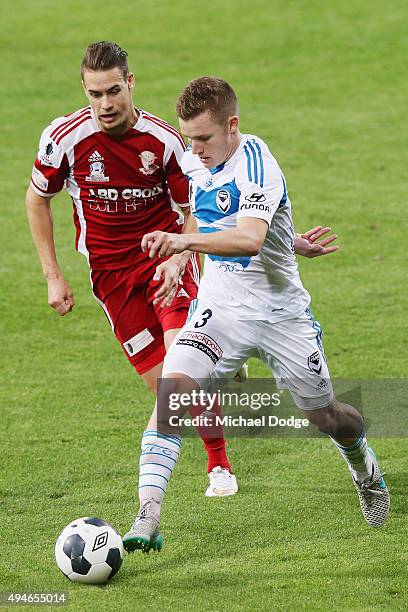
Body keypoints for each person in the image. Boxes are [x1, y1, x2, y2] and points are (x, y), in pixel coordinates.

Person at [26, 41, 336, 501]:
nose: (105, 104)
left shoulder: (166, 141)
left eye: (113, 90)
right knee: (164, 391)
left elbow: (197, 208)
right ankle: (228, 356)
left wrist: (180, 255)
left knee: (179, 378)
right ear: (84, 91)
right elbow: (37, 199)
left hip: (166, 262)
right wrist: (52, 274)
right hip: (111, 279)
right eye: (95, 94)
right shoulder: (63, 139)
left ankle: (218, 465)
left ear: (130, 83)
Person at [122, 76, 389, 553]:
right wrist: (180, 259)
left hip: (280, 316)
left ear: (232, 125)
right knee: (173, 393)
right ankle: (147, 513)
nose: (195, 150)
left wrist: (185, 243)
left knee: (325, 416)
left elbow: (248, 238)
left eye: (204, 138)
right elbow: (204, 216)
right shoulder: (195, 160)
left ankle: (361, 461)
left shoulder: (257, 164)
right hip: (220, 309)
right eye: (189, 138)